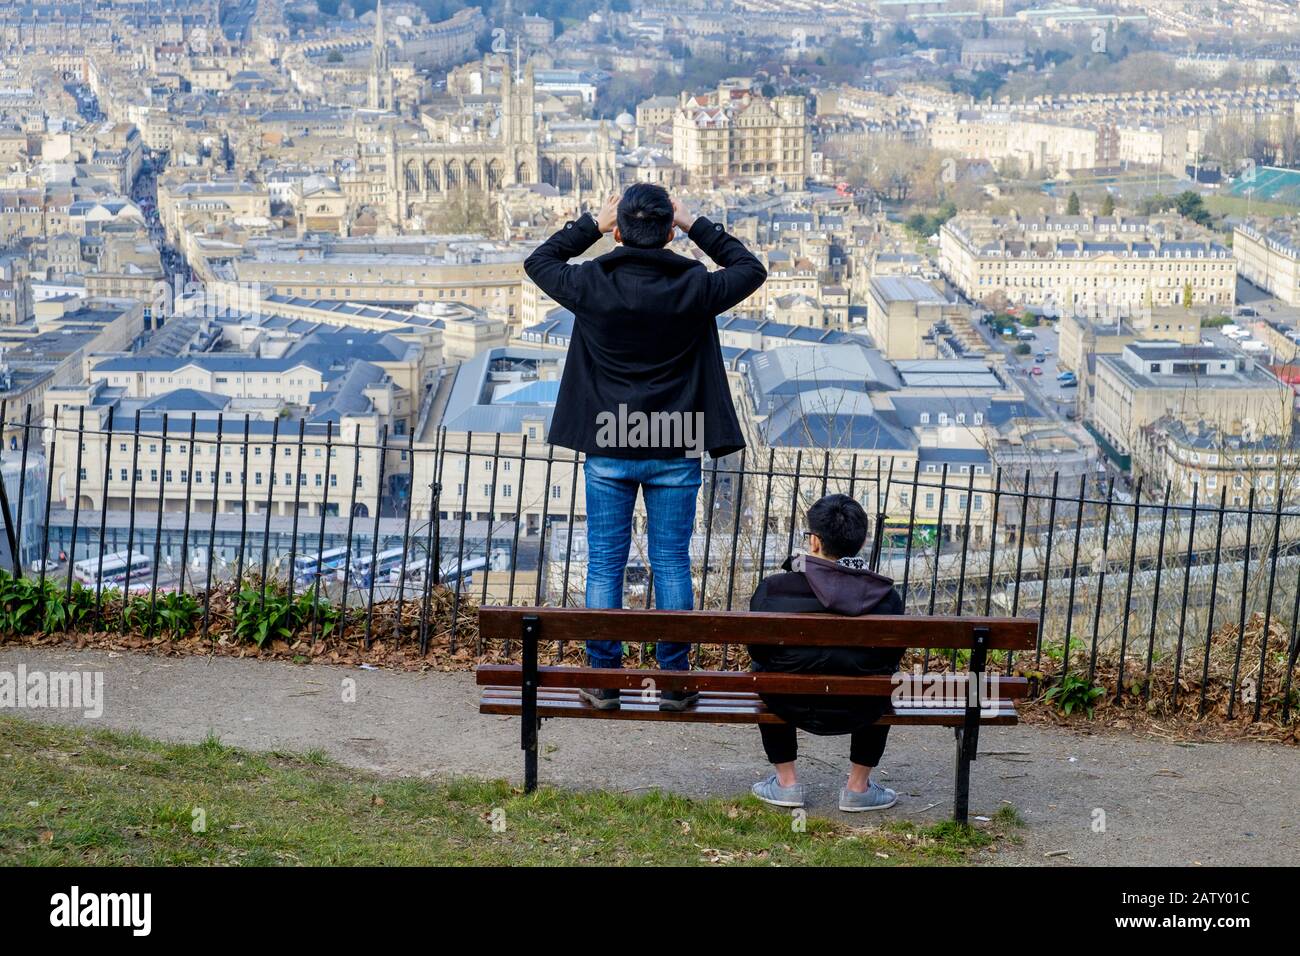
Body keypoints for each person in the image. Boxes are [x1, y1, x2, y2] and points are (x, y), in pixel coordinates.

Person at [524, 184, 766, 711]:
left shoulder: (591, 282)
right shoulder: (695, 285)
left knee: (605, 565)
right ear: (668, 231)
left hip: (611, 436)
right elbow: (751, 269)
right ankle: (673, 680)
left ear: (619, 229)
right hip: (675, 441)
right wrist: (696, 223)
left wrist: (590, 223)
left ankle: (604, 678)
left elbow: (539, 260)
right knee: (672, 563)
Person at [747, 494, 904, 812]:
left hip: (787, 701)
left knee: (764, 669)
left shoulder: (774, 589)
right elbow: (892, 657)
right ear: (858, 544)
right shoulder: (887, 598)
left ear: (815, 542)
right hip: (862, 705)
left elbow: (758, 650)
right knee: (885, 677)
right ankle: (858, 787)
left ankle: (787, 783)